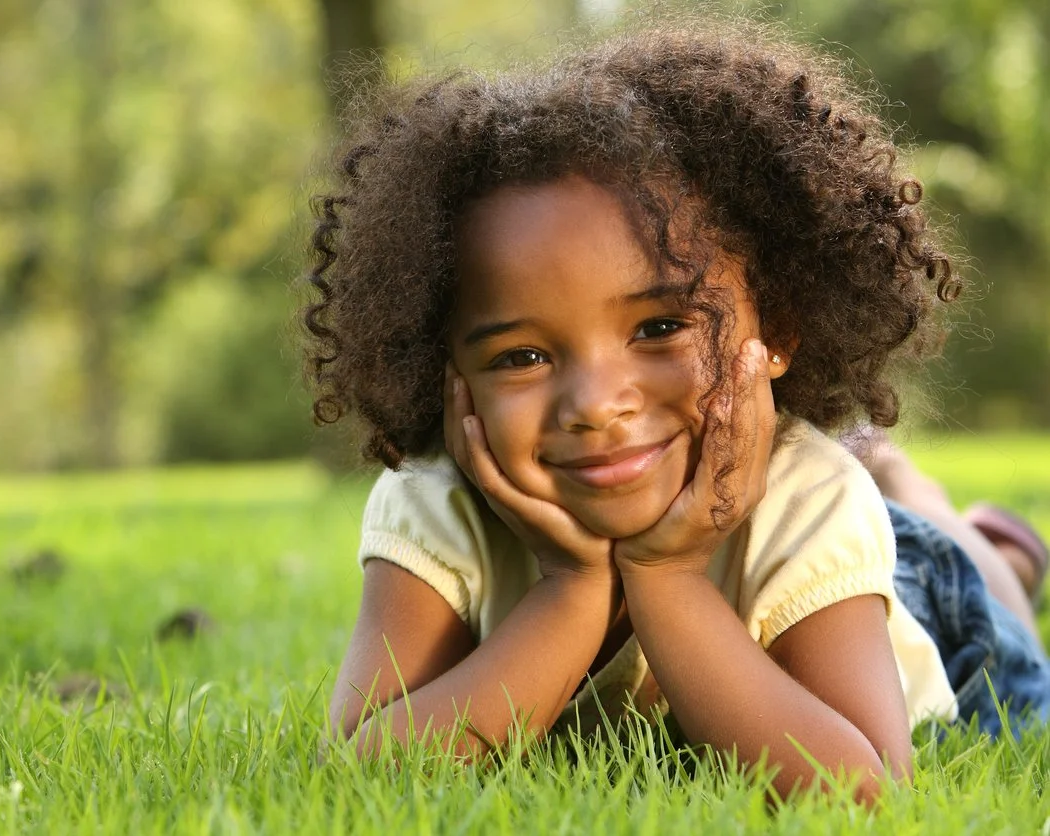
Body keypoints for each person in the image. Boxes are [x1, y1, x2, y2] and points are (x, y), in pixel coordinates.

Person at [299, 19, 1050, 802]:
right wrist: (571, 587)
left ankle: (987, 539)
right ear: (444, 367)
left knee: (968, 585)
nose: (595, 407)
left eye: (659, 328)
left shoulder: (811, 499)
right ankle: (906, 487)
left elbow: (862, 790)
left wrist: (665, 576)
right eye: (521, 357)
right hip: (814, 557)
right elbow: (359, 770)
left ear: (777, 329)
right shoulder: (437, 504)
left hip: (911, 604)